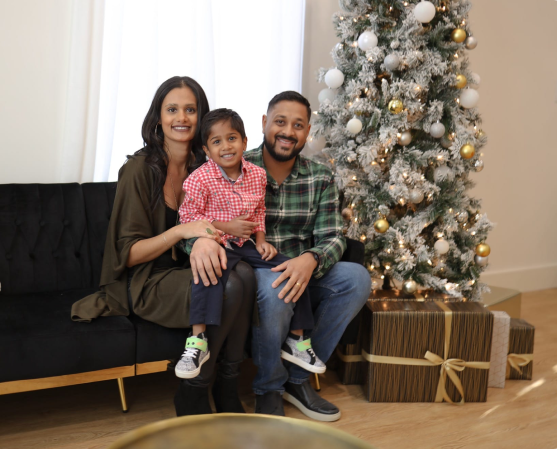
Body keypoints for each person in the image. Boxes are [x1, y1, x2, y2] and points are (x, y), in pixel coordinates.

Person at [71, 76, 256, 416]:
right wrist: (183, 232)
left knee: (245, 274)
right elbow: (128, 254)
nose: (181, 118)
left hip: (186, 271)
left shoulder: (207, 167)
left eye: (190, 109)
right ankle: (194, 391)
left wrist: (206, 237)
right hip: (144, 280)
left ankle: (228, 384)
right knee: (230, 282)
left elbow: (223, 213)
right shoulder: (138, 170)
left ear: (202, 118)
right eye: (172, 109)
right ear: (158, 117)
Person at [187, 91, 371, 422]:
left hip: (305, 266)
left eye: (297, 125)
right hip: (258, 267)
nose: (288, 131)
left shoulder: (321, 177)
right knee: (276, 288)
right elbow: (194, 218)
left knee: (356, 278)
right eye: (280, 122)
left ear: (307, 131)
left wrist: (311, 259)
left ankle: (297, 381)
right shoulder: (235, 164)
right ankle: (269, 387)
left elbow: (333, 236)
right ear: (263, 124)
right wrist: (202, 240)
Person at [174, 108, 325, 380]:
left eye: (231, 138)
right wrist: (224, 227)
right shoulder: (199, 179)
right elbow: (188, 219)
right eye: (216, 142)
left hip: (245, 245)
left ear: (244, 142)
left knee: (291, 269)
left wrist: (261, 239)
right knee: (208, 273)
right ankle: (197, 341)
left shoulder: (256, 175)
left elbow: (259, 211)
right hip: (214, 242)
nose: (226, 146)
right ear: (207, 150)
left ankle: (298, 340)